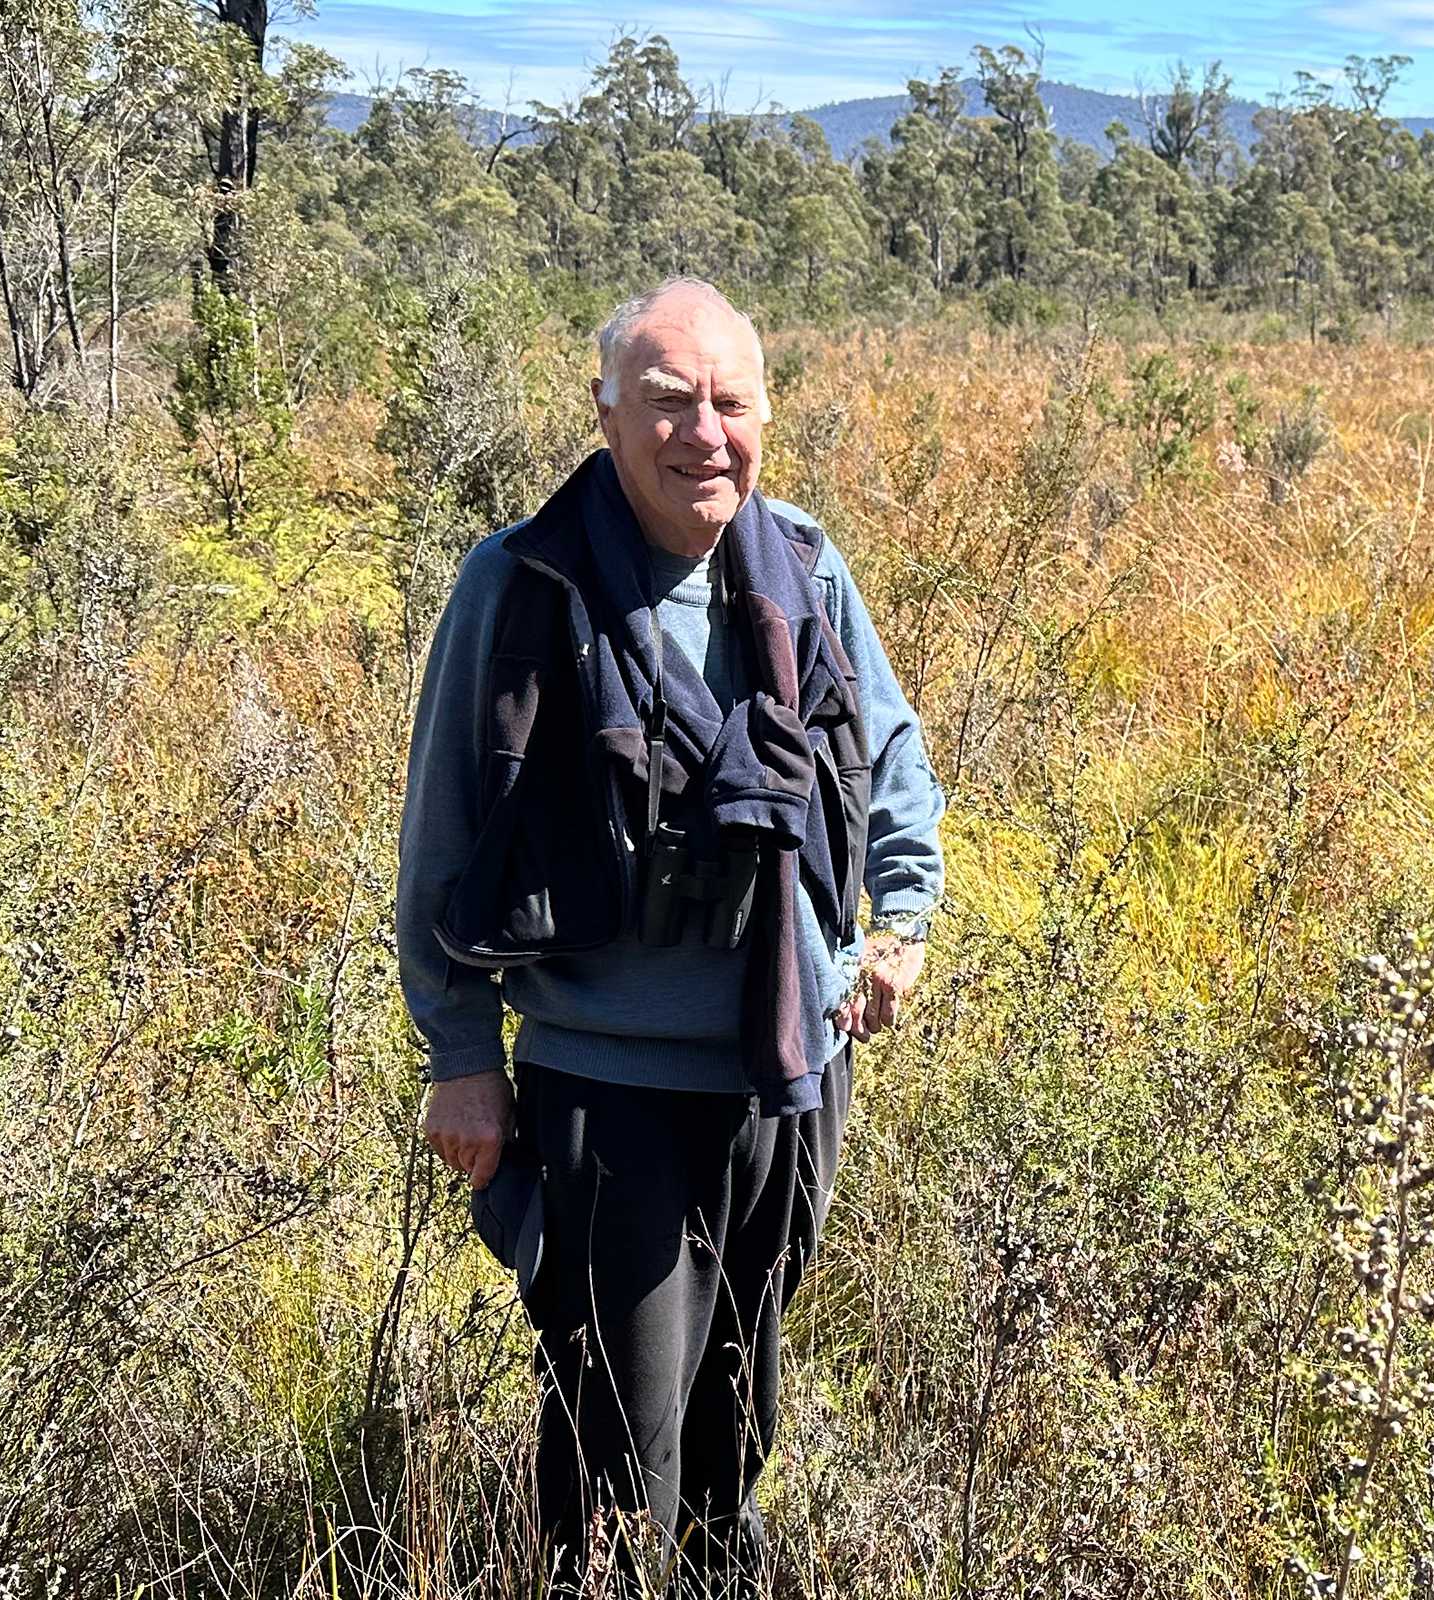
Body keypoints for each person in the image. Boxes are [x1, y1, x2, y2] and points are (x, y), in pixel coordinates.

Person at [393, 276, 945, 1594]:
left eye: (730, 402)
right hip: (610, 1091)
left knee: (733, 1432)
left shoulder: (803, 565)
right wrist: (462, 1052)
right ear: (605, 412)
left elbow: (894, 761)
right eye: (666, 402)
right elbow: (443, 824)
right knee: (612, 1459)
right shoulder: (522, 580)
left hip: (788, 1079)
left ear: (764, 414)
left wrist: (902, 920)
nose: (703, 432)